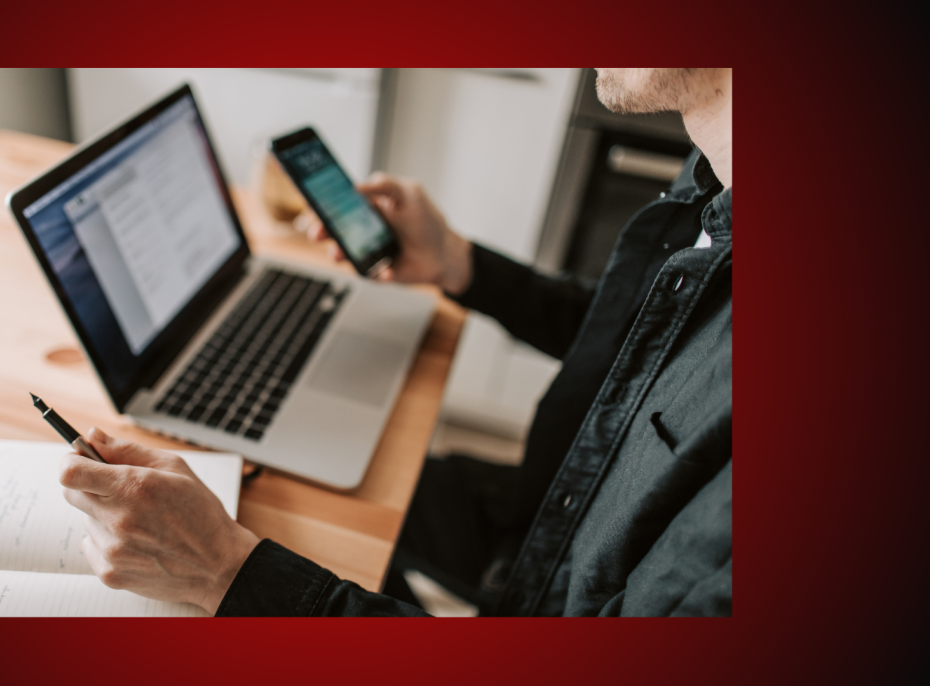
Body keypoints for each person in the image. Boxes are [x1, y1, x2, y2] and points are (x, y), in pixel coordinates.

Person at [58, 68, 733, 616]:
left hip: (546, 583)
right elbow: (641, 338)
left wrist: (224, 572)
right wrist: (460, 265)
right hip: (547, 501)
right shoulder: (710, 168)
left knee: (307, 526)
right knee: (337, 494)